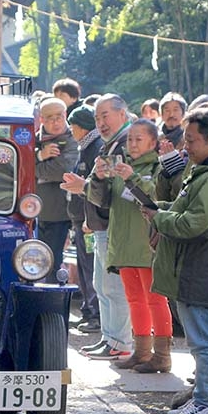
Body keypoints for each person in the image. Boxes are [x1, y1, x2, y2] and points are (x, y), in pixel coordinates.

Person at [145, 108, 208, 414]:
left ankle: (205, 403)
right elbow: (186, 212)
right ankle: (202, 398)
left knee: (203, 342)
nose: (186, 147)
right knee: (200, 341)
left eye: (192, 140)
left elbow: (194, 224)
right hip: (195, 267)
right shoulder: (205, 172)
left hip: (204, 268)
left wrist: (159, 217)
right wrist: (161, 209)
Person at [88, 118, 171, 372]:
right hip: (123, 244)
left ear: (153, 142)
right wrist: (99, 178)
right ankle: (141, 352)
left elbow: (155, 198)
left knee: (155, 299)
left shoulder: (159, 167)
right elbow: (101, 200)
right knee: (134, 299)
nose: (132, 144)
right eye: (130, 139)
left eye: (139, 139)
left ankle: (162, 355)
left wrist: (132, 176)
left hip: (147, 245)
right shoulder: (119, 166)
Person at [81, 94, 134, 360]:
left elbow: (110, 191)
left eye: (105, 115)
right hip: (102, 225)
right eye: (97, 117)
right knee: (101, 285)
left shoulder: (124, 144)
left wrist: (84, 187)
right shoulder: (109, 144)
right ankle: (109, 337)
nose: (100, 122)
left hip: (114, 226)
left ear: (122, 114)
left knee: (114, 287)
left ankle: (120, 341)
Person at [63, 105, 100, 330]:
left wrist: (88, 218)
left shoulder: (95, 148)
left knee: (91, 267)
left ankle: (95, 314)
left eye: (72, 127)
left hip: (89, 220)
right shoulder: (85, 147)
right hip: (80, 218)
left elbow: (94, 188)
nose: (71, 131)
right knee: (85, 266)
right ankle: (89, 310)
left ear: (80, 127)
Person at [34, 97, 78, 283]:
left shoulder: (72, 138)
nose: (56, 122)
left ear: (65, 115)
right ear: (42, 119)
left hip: (58, 213)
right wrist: (39, 155)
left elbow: (62, 170)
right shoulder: (33, 139)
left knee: (52, 262)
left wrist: (34, 168)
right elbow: (17, 165)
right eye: (50, 117)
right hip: (32, 212)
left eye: (59, 116)